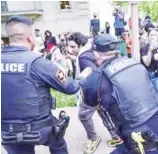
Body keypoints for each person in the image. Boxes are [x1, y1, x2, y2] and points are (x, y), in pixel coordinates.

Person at [1, 15, 91, 154]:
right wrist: (83, 76)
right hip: (41, 127)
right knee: (58, 144)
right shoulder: (37, 62)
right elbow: (71, 87)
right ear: (30, 37)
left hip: (8, 131)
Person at [81, 34, 158, 154]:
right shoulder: (134, 62)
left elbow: (89, 102)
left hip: (144, 143)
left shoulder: (95, 78)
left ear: (96, 54)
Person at [68, 32, 123, 154]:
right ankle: (116, 136)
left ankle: (93, 138)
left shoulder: (83, 56)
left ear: (81, 45)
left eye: (73, 47)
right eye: (69, 46)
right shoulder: (90, 53)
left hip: (93, 93)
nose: (69, 49)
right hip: (106, 90)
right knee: (104, 113)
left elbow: (92, 76)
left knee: (83, 116)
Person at [140, 28, 158, 101]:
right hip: (149, 75)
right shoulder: (144, 48)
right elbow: (147, 63)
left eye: (155, 35)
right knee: (152, 98)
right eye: (151, 35)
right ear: (148, 37)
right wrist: (150, 50)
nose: (153, 37)